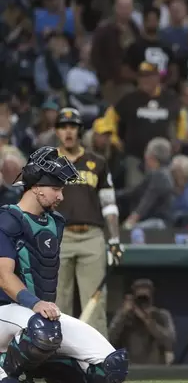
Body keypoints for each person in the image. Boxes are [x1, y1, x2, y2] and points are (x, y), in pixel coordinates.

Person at [0, 146, 128, 383]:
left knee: (111, 366)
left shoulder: (55, 223)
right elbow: (4, 278)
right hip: (5, 313)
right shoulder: (7, 218)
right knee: (44, 333)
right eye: (56, 188)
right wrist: (36, 303)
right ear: (36, 187)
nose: (61, 196)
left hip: (41, 320)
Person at [53, 108, 123, 338]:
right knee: (56, 303)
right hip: (58, 236)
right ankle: (56, 360)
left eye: (72, 126)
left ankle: (97, 363)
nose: (68, 132)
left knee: (95, 304)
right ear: (57, 132)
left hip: (92, 236)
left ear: (80, 131)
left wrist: (114, 240)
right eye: (63, 127)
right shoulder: (47, 161)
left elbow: (109, 204)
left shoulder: (97, 162)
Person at [108, 279, 176, 365]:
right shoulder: (125, 316)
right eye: (139, 299)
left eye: (145, 298)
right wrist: (123, 314)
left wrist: (147, 320)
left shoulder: (161, 315)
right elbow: (110, 339)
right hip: (130, 368)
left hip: (155, 368)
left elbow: (170, 341)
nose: (142, 302)